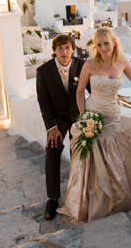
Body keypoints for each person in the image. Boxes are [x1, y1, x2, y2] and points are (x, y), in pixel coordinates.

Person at [58, 28, 131, 222]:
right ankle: (92, 203)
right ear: (95, 47)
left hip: (112, 116)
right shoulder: (89, 64)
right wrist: (84, 117)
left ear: (114, 42)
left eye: (106, 43)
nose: (103, 48)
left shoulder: (122, 62)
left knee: (112, 155)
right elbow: (79, 92)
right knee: (92, 159)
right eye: (99, 44)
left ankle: (114, 200)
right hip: (93, 114)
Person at [36, 34, 87, 220]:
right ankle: (52, 198)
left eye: (67, 48)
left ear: (73, 49)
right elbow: (43, 101)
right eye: (60, 48)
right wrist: (51, 127)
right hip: (57, 120)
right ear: (54, 51)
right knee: (52, 149)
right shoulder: (43, 71)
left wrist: (87, 118)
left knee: (79, 152)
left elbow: (91, 90)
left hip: (77, 117)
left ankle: (78, 193)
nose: (64, 52)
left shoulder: (82, 66)